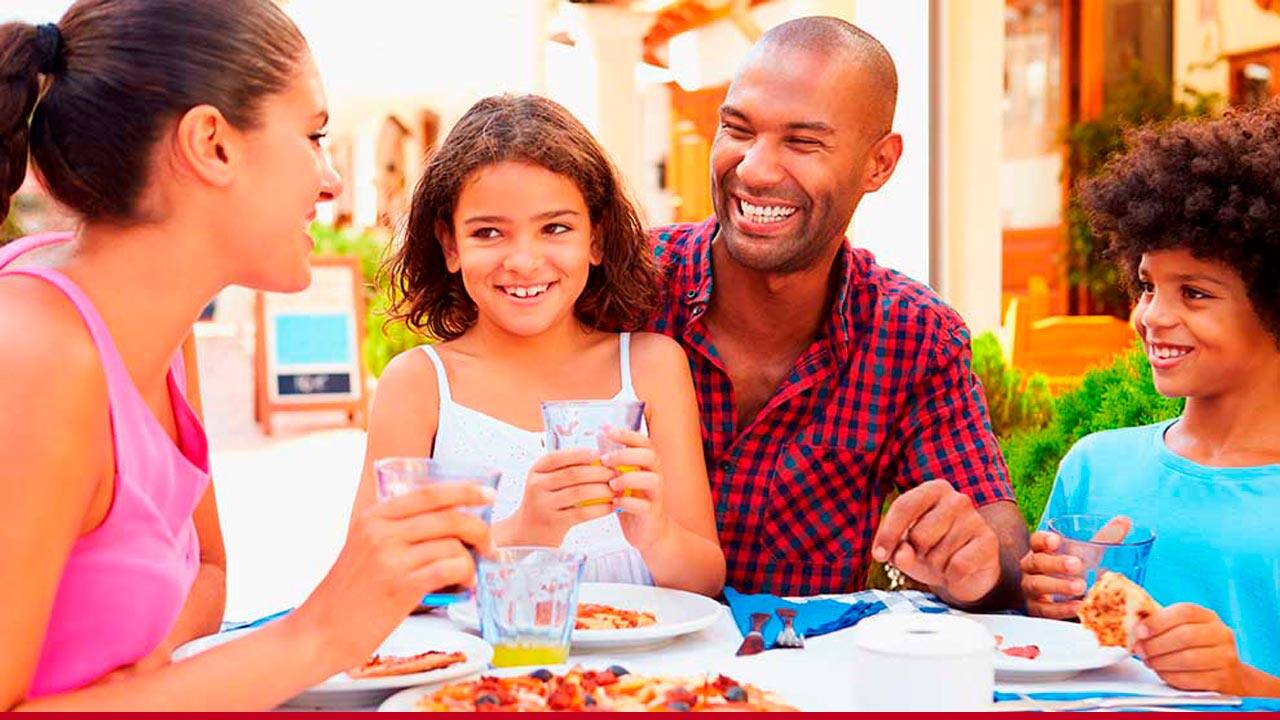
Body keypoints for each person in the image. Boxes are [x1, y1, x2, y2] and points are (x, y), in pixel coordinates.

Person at [0, 0, 490, 709]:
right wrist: (320, 634)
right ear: (213, 144)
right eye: (313, 135)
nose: (332, 182)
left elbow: (209, 573)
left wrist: (140, 684)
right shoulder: (35, 357)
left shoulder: (156, 328)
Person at [647, 17, 1029, 604]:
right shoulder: (626, 289)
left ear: (879, 164)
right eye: (737, 129)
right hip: (614, 671)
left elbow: (997, 539)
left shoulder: (913, 334)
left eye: (801, 142)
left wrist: (972, 557)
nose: (753, 168)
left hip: (805, 680)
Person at [351, 95, 725, 596]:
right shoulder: (421, 385)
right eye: (489, 232)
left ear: (597, 237)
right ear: (450, 247)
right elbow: (367, 580)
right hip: (479, 670)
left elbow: (704, 580)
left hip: (642, 674)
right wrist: (524, 531)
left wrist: (655, 533)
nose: (524, 261)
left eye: (555, 228)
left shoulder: (651, 367)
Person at [1020, 103, 1280, 696]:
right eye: (1146, 285)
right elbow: (1063, 650)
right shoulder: (1094, 465)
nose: (1151, 316)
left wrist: (1240, 681)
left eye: (1193, 292)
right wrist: (1043, 598)